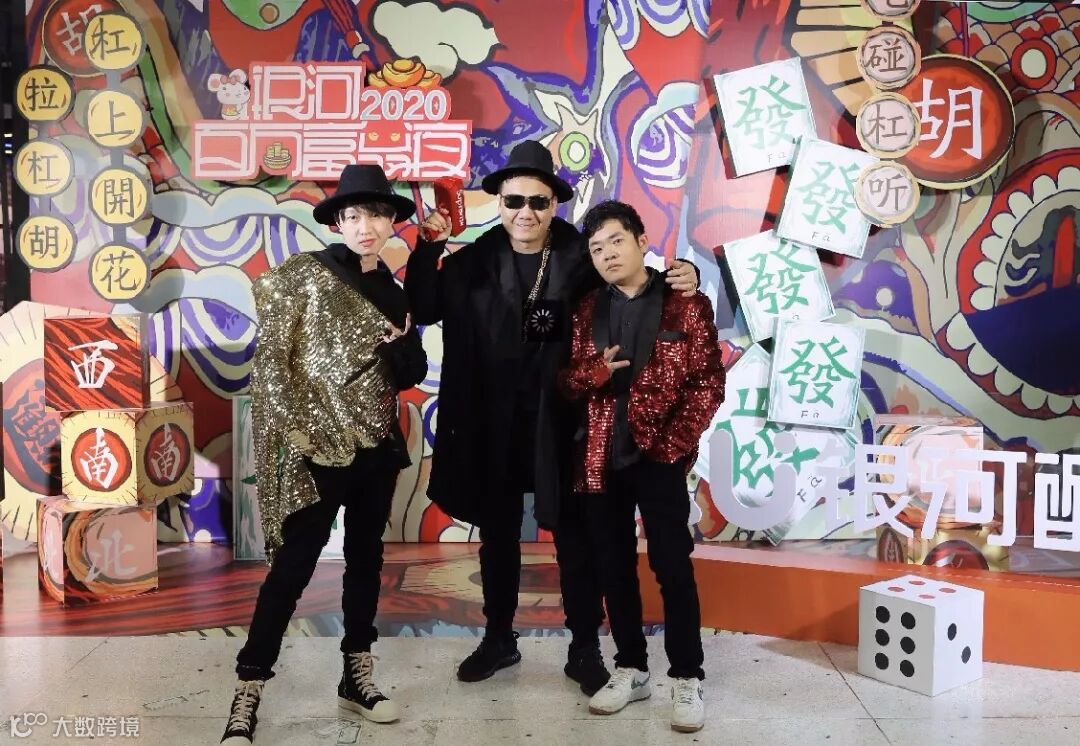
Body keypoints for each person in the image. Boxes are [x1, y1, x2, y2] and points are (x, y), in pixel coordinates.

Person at [406, 141, 700, 694]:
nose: (526, 213)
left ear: (554, 205)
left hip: (565, 422)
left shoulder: (581, 257)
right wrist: (429, 248)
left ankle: (583, 646)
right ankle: (499, 638)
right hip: (491, 425)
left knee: (575, 538)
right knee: (497, 537)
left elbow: (636, 286)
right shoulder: (471, 263)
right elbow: (423, 307)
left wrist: (684, 277)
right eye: (514, 200)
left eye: (538, 202)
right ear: (499, 202)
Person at [221, 165, 428, 745]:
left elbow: (412, 371)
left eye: (377, 215)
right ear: (338, 222)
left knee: (366, 561)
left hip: (376, 445)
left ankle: (356, 676)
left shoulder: (394, 291)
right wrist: (295, 433)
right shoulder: (305, 276)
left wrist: (400, 351)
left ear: (391, 222)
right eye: (354, 215)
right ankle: (248, 689)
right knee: (292, 569)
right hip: (314, 447)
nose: (366, 226)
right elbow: (272, 365)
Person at [558, 200, 725, 733]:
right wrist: (595, 373)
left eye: (616, 241)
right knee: (613, 567)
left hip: (660, 457)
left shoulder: (684, 302)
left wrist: (674, 447)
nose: (607, 254)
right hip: (599, 457)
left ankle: (687, 674)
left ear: (641, 241)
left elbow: (707, 382)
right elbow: (567, 381)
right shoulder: (586, 309)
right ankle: (630, 668)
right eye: (596, 248)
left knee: (673, 567)